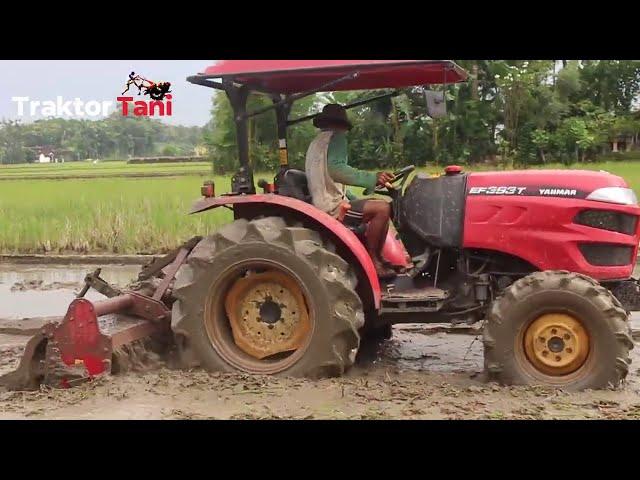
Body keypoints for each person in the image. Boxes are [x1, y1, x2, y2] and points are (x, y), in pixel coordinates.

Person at [305, 104, 397, 279]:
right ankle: (374, 261)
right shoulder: (336, 138)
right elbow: (336, 170)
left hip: (322, 202)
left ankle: (378, 257)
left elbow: (328, 181)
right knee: (383, 208)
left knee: (376, 204)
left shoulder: (317, 143)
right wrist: (371, 178)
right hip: (331, 208)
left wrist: (357, 196)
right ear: (341, 125)